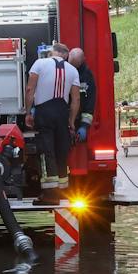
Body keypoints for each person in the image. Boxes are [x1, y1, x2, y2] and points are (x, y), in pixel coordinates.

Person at [24, 42, 80, 204]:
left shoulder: (39, 64)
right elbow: (75, 98)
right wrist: (71, 121)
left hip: (44, 112)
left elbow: (30, 89)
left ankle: (50, 195)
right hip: (62, 112)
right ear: (65, 56)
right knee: (61, 151)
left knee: (46, 151)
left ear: (52, 53)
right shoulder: (72, 70)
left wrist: (28, 112)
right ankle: (63, 191)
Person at [67, 47, 97, 143]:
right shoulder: (62, 70)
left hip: (77, 118)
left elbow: (89, 103)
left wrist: (84, 126)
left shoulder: (87, 77)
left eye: (75, 66)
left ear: (82, 61)